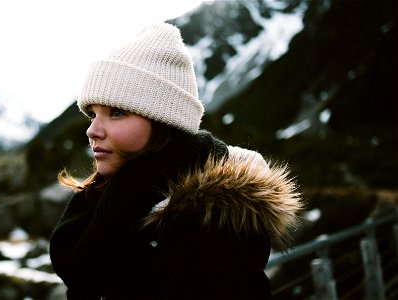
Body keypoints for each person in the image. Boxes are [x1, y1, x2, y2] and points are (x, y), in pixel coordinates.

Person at [49, 23, 302, 299]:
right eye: (92, 114)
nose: (92, 130)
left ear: (162, 121)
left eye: (116, 112)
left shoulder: (212, 230)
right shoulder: (106, 202)